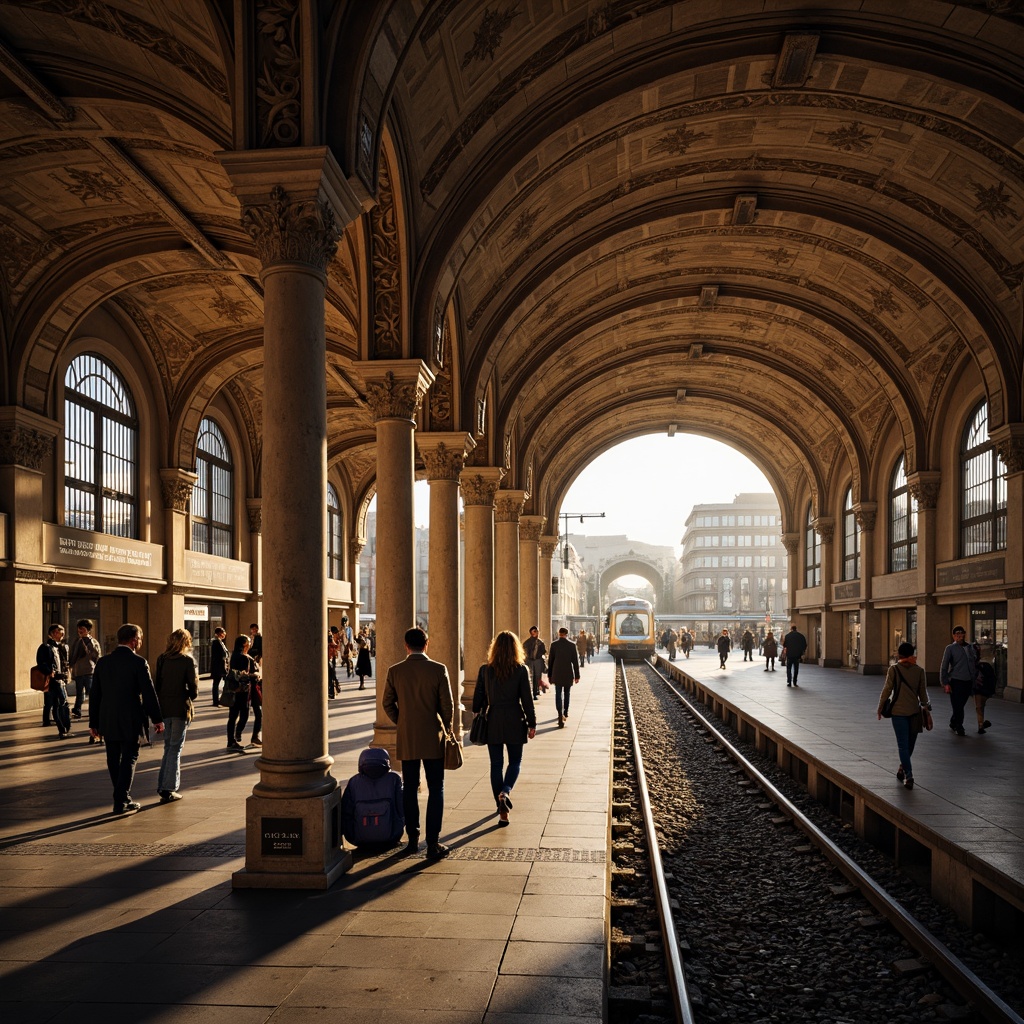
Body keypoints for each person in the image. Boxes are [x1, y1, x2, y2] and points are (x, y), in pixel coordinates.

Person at [383, 627, 455, 860]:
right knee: (436, 788)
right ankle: (433, 842)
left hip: (408, 736)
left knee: (410, 787)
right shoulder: (438, 669)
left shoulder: (395, 671)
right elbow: (447, 705)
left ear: (406, 645)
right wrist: (446, 726)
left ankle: (412, 839)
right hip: (432, 735)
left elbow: (387, 703)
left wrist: (401, 721)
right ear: (427, 644)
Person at [88, 623, 164, 814]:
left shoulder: (103, 662)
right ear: (134, 640)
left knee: (113, 758)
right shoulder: (139, 662)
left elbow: (95, 694)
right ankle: (121, 799)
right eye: (140, 638)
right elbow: (148, 693)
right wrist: (157, 718)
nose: (140, 641)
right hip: (131, 717)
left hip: (108, 717)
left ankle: (122, 797)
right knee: (130, 756)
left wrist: (93, 722)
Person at [472, 631, 537, 826]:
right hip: (515, 719)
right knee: (515, 761)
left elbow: (476, 703)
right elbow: (527, 700)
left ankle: (501, 810)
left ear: (495, 648)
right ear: (516, 648)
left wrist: (480, 709)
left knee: (495, 765)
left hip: (493, 720)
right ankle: (505, 792)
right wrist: (532, 723)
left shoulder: (485, 670)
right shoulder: (521, 670)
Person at [876, 641, 931, 790]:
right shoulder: (919, 671)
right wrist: (926, 706)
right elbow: (923, 693)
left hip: (898, 713)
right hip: (914, 712)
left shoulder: (894, 669)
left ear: (900, 654)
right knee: (910, 745)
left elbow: (887, 690)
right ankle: (907, 772)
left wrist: (880, 707)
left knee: (903, 746)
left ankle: (906, 772)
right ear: (912, 654)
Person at [153, 628, 199, 803]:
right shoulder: (186, 660)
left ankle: (163, 784)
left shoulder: (162, 659)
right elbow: (193, 691)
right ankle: (169, 788)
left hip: (165, 708)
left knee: (168, 747)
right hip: (180, 709)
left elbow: (157, 685)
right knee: (175, 749)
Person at [340, 747, 405, 850]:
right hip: (391, 837)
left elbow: (346, 811)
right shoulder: (393, 779)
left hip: (358, 839)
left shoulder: (354, 782)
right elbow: (402, 808)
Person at [939, 625, 977, 737]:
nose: (959, 636)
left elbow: (974, 661)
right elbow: (944, 666)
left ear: (964, 634)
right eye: (957, 634)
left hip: (968, 680)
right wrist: (945, 682)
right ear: (954, 636)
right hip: (956, 681)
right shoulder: (950, 648)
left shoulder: (970, 647)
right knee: (957, 705)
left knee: (961, 704)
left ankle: (953, 721)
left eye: (961, 634)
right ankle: (959, 726)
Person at [37, 624, 72, 739]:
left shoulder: (60, 647)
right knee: (62, 703)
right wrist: (50, 672)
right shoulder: (46, 647)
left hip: (60, 679)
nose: (62, 634)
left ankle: (64, 729)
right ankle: (64, 728)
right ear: (52, 633)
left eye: (63, 632)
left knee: (59, 704)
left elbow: (64, 663)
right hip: (53, 680)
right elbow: (41, 663)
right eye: (59, 632)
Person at [225, 634, 259, 752]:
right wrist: (254, 676)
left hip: (233, 690)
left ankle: (231, 740)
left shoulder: (233, 656)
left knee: (232, 716)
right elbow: (243, 675)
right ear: (244, 644)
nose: (250, 644)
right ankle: (238, 733)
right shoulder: (244, 658)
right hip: (243, 690)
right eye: (249, 642)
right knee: (244, 713)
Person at [547, 626, 580, 728]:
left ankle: (559, 713)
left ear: (558, 633)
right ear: (567, 634)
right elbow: (575, 662)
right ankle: (565, 711)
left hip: (557, 673)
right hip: (567, 673)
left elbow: (550, 661)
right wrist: (577, 676)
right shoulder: (572, 645)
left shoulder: (554, 645)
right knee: (567, 693)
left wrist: (550, 675)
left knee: (558, 693)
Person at [68, 619, 100, 723]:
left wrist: (89, 643)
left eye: (83, 628)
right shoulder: (77, 641)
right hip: (78, 671)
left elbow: (96, 655)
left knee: (91, 693)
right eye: (79, 628)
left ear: (88, 630)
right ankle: (77, 710)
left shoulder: (93, 641)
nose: (80, 630)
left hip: (89, 671)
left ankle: (93, 711)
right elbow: (72, 655)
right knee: (79, 692)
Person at [523, 625, 547, 699]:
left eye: (537, 631)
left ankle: (536, 691)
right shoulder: (527, 642)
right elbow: (524, 650)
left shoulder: (540, 642)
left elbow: (544, 651)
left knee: (537, 676)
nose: (536, 633)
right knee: (531, 676)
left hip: (538, 661)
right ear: (531, 633)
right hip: (529, 661)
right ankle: (532, 692)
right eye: (534, 631)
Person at [210, 626, 229, 706]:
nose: (224, 634)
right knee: (216, 683)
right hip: (219, 666)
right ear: (219, 633)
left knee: (219, 683)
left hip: (221, 666)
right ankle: (216, 700)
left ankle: (220, 699)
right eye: (223, 632)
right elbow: (221, 655)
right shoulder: (216, 642)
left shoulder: (220, 642)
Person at [328, 625, 341, 699]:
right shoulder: (330, 637)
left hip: (331, 658)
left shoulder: (332, 638)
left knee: (332, 675)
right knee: (332, 675)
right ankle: (332, 691)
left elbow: (336, 647)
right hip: (329, 658)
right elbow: (336, 646)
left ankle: (332, 692)